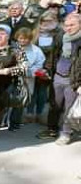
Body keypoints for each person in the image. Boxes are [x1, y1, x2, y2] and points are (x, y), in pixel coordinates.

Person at [39, 13, 81, 144]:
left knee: (69, 108)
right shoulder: (61, 37)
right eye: (66, 25)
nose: (68, 28)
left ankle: (66, 134)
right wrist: (47, 69)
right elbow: (53, 55)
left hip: (73, 79)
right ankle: (52, 129)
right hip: (57, 76)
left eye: (72, 25)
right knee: (54, 104)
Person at [8, 28, 45, 131]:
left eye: (26, 39)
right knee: (6, 99)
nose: (23, 41)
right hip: (9, 78)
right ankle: (1, 122)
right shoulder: (11, 48)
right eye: (21, 38)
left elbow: (39, 65)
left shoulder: (36, 50)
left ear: (29, 39)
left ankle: (14, 124)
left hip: (26, 79)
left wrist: (28, 72)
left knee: (20, 101)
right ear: (17, 38)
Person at [28, 12, 60, 124]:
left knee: (42, 93)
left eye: (49, 21)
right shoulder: (35, 34)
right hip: (35, 66)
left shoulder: (57, 35)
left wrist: (49, 65)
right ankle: (29, 113)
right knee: (32, 91)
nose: (46, 24)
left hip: (49, 68)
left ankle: (40, 113)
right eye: (44, 21)